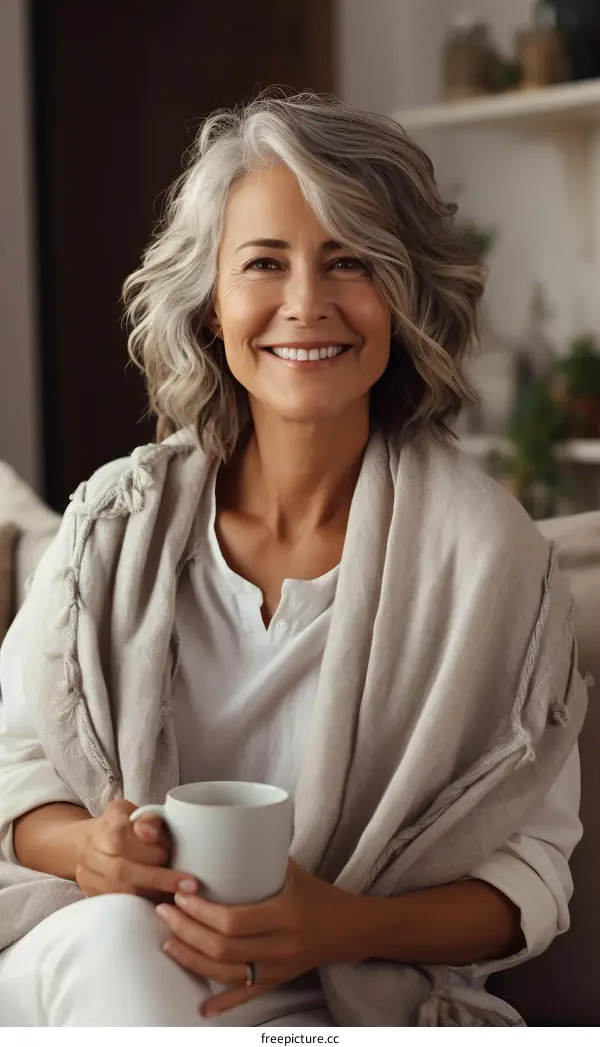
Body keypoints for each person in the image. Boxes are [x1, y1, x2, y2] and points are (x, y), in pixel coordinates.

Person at [0, 93, 587, 1027]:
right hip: (85, 959)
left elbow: (530, 875)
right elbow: (16, 768)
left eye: (349, 261)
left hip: (337, 999)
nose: (306, 304)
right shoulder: (111, 527)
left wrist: (342, 927)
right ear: (212, 302)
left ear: (402, 294)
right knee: (118, 939)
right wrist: (88, 852)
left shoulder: (491, 566)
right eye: (265, 263)